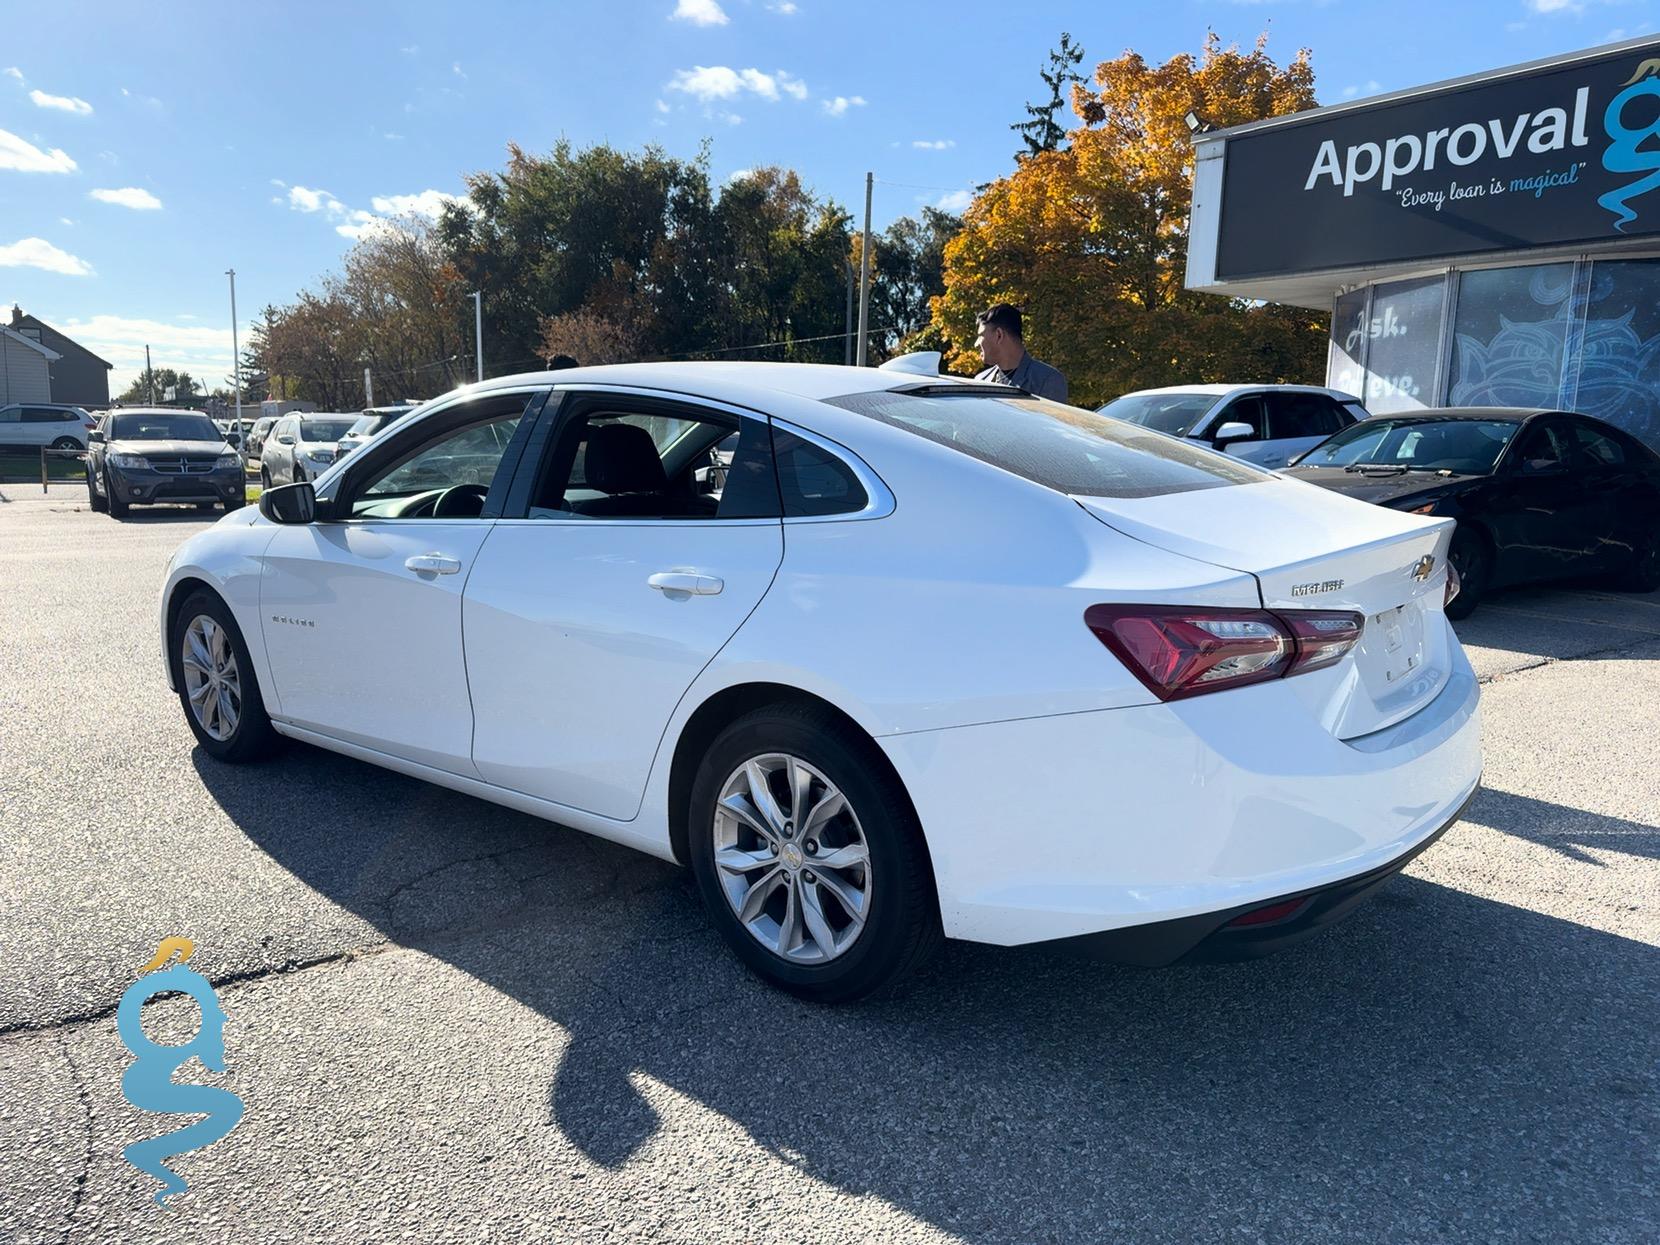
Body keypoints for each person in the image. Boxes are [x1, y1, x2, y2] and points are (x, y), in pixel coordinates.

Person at [973, 303, 1068, 402]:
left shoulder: (1047, 380)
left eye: (981, 335)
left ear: (999, 335)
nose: (976, 344)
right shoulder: (981, 380)